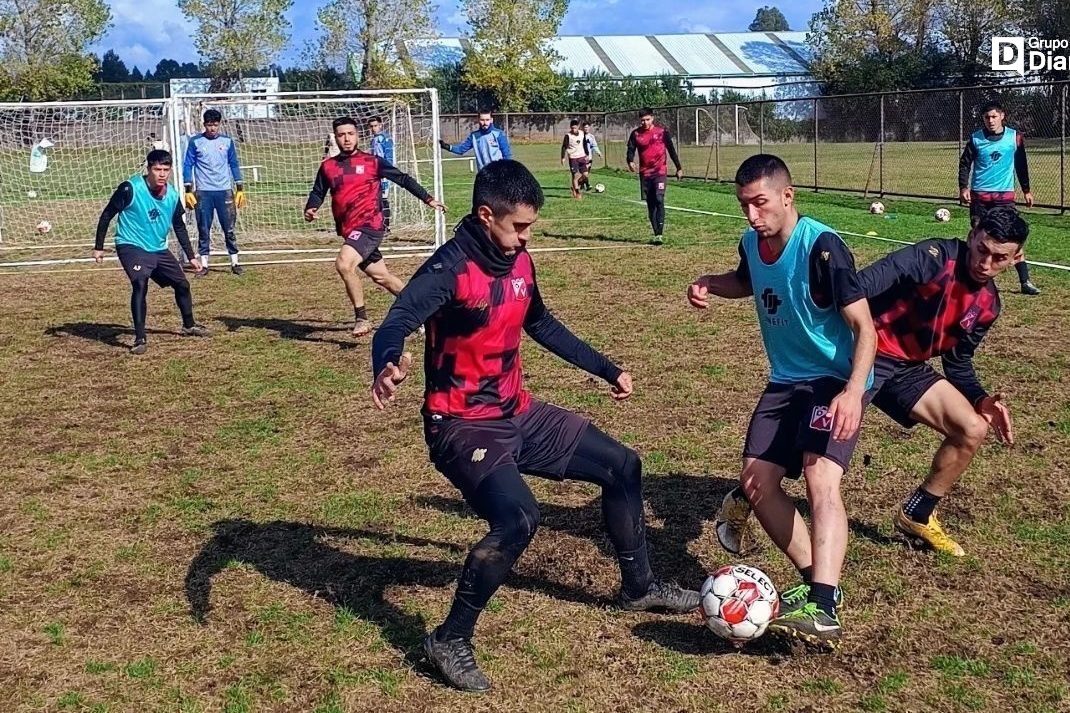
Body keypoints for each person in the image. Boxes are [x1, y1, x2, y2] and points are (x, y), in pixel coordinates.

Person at [370, 159, 699, 692]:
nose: (526, 237)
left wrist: (605, 367)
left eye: (531, 226)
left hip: (518, 411)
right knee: (519, 518)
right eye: (518, 226)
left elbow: (540, 321)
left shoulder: (519, 261)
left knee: (622, 466)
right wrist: (386, 363)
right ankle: (450, 638)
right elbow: (397, 321)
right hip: (462, 427)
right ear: (484, 215)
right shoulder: (448, 270)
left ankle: (639, 588)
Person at [715, 206, 1025, 561]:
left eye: (999, 258)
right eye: (981, 249)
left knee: (971, 428)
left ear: (1016, 259)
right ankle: (747, 495)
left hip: (907, 369)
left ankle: (918, 514)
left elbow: (959, 361)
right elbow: (860, 285)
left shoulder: (988, 306)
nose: (985, 263)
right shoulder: (933, 257)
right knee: (814, 452)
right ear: (971, 237)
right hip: (863, 355)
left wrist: (980, 398)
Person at [687, 154, 876, 650]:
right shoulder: (752, 242)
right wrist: (710, 283)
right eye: (744, 205)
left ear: (787, 197)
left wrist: (854, 390)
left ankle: (824, 602)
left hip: (834, 379)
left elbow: (865, 328)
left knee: (819, 475)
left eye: (760, 203)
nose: (751, 215)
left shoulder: (823, 249)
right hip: (786, 380)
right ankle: (818, 585)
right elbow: (747, 282)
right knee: (756, 481)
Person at [304, 116, 446, 337]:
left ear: (358, 135)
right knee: (382, 277)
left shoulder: (372, 162)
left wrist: (428, 199)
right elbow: (318, 191)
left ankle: (361, 319)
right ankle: (426, 314)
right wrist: (311, 207)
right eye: (341, 135)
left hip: (371, 225)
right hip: (351, 231)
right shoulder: (328, 167)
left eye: (350, 134)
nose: (346, 139)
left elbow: (403, 179)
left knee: (344, 264)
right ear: (336, 138)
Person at [93, 149, 211, 355]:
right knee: (140, 282)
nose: (162, 174)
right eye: (157, 169)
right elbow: (107, 215)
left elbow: (179, 226)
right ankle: (140, 339)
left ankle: (189, 325)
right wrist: (99, 247)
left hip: (157, 247)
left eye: (166, 169)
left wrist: (191, 256)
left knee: (182, 284)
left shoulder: (173, 195)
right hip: (131, 245)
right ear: (149, 169)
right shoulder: (130, 188)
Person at [958, 101, 1039, 295]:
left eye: (994, 116)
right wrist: (963, 187)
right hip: (980, 198)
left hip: (1004, 198)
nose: (990, 121)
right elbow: (964, 164)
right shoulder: (976, 139)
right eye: (987, 117)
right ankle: (972, 279)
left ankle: (1025, 281)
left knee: (1011, 236)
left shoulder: (1014, 138)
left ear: (1002, 116)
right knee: (980, 238)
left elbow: (1021, 165)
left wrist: (1027, 190)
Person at [182, 109, 245, 276]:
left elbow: (234, 164)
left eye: (215, 125)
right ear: (204, 125)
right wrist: (188, 189)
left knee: (229, 228)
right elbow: (188, 164)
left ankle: (235, 262)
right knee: (204, 228)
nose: (212, 128)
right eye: (209, 125)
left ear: (219, 124)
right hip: (204, 192)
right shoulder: (196, 142)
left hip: (224, 191)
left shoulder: (227, 142)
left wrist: (239, 187)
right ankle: (204, 264)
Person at [626, 108, 683, 245]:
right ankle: (656, 231)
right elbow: (630, 150)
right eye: (642, 120)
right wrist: (630, 161)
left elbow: (671, 150)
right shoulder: (636, 134)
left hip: (660, 172)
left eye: (647, 119)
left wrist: (679, 167)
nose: (645, 122)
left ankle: (659, 233)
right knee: (651, 204)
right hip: (645, 174)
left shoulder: (662, 132)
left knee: (659, 198)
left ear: (652, 118)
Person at [438, 111, 512, 171]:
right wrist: (447, 147)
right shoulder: (474, 136)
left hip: (498, 172)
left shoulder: (499, 134)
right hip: (483, 174)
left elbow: (507, 154)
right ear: (478, 120)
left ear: (491, 120)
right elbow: (461, 150)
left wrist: (506, 170)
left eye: (487, 120)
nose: (485, 123)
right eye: (482, 120)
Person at [367, 115, 396, 229]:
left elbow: (389, 157)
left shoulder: (385, 139)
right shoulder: (373, 140)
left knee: (383, 199)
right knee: (375, 199)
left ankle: (386, 227)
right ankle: (377, 224)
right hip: (375, 174)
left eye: (375, 126)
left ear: (380, 125)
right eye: (371, 126)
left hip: (384, 174)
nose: (373, 128)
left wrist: (387, 172)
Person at [560, 119, 589, 199]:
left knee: (586, 175)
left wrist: (587, 154)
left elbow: (584, 144)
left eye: (575, 128)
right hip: (573, 158)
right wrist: (563, 157)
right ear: (570, 127)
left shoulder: (582, 133)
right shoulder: (568, 136)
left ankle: (576, 185)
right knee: (575, 175)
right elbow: (564, 147)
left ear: (578, 127)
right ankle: (577, 192)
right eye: (572, 128)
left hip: (582, 156)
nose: (573, 130)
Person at [581, 122, 601, 191]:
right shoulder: (580, 136)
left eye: (587, 127)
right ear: (582, 128)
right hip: (581, 157)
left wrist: (599, 153)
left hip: (589, 157)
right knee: (584, 172)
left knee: (587, 172)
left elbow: (594, 146)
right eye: (585, 127)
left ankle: (582, 185)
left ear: (589, 128)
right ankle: (587, 184)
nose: (586, 129)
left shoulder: (591, 137)